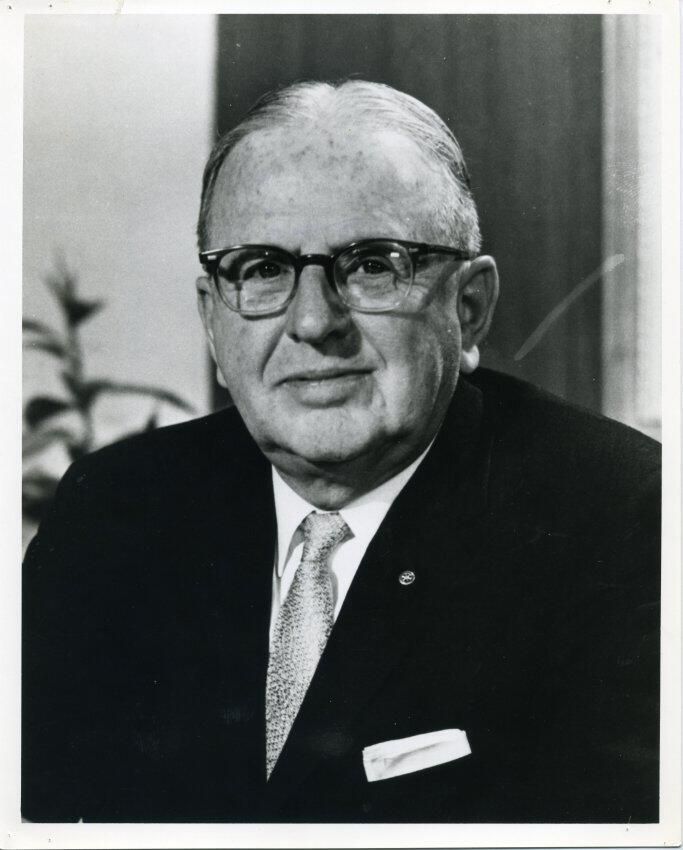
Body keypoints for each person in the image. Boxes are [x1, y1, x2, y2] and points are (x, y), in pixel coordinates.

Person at [22, 79, 660, 824]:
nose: (314, 322)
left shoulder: (626, 521)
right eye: (262, 269)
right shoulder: (113, 507)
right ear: (213, 320)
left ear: (469, 308)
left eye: (372, 264)